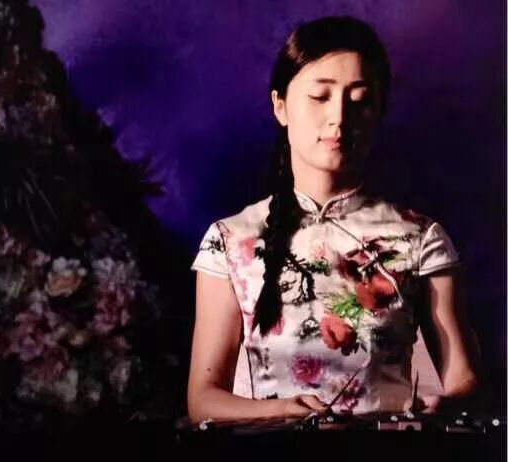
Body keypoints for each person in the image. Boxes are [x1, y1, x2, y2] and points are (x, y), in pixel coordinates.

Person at [186, 15, 481, 423]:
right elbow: (203, 400)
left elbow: (462, 378)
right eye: (320, 96)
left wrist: (442, 404)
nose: (339, 118)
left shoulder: (420, 238)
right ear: (280, 106)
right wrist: (282, 412)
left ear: (378, 111)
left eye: (359, 100)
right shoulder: (231, 240)